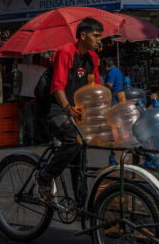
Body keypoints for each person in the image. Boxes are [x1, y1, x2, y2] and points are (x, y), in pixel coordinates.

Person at [37, 18, 103, 204]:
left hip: (76, 110)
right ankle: (45, 176)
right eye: (96, 36)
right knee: (74, 139)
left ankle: (82, 205)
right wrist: (67, 107)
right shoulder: (65, 52)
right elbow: (57, 86)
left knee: (81, 155)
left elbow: (95, 88)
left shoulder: (93, 58)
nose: (100, 40)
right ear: (83, 35)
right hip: (54, 108)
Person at [17, 55, 47, 145]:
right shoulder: (43, 69)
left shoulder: (26, 68)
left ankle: (31, 138)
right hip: (38, 96)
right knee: (39, 118)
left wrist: (17, 56)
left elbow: (16, 66)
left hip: (26, 96)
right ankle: (40, 137)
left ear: (32, 60)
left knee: (28, 119)